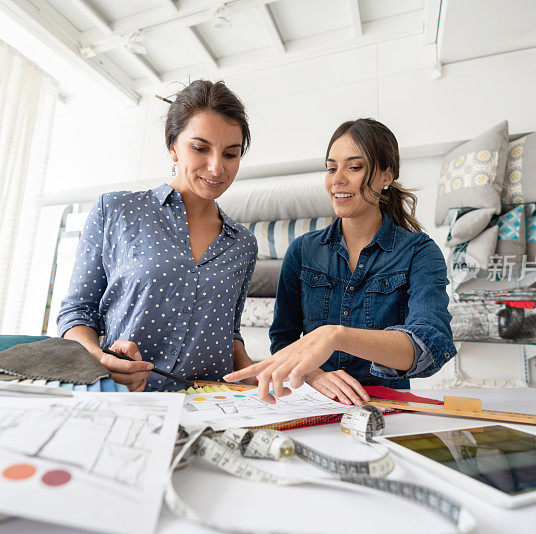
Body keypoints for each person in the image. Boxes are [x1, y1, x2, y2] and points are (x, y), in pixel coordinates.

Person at [224, 118, 455, 404]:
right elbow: (284, 338)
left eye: (354, 167)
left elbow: (430, 344)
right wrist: (314, 374)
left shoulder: (419, 252)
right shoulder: (302, 251)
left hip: (386, 405)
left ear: (386, 176)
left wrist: (337, 336)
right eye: (331, 168)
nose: (337, 179)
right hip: (311, 402)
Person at [57, 80, 257, 392]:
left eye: (230, 153)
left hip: (212, 405)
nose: (217, 167)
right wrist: (99, 357)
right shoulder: (117, 211)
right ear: (172, 146)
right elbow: (76, 312)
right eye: (200, 148)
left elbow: (229, 334)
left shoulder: (243, 244)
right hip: (124, 396)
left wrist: (256, 376)